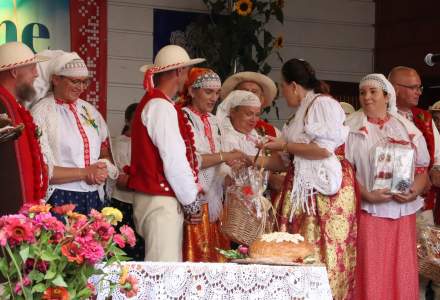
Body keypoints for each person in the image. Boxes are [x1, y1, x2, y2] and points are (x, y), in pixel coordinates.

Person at [259, 58, 358, 299]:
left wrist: (285, 144)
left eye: (283, 87)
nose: (283, 94)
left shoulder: (322, 104)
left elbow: (323, 149)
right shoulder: (300, 113)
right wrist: (253, 159)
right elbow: (286, 159)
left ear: (293, 85)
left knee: (319, 248)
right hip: (301, 188)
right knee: (296, 246)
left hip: (323, 191)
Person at [345, 73, 429, 299]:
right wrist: (366, 194)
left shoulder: (406, 128)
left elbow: (422, 169)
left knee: (399, 266)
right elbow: (343, 172)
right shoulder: (350, 128)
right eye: (362, 92)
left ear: (386, 95)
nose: (367, 97)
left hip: (402, 213)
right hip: (367, 212)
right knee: (369, 266)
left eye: (373, 92)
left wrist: (414, 191)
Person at [129, 45, 204, 261]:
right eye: (187, 71)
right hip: (160, 202)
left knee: (161, 267)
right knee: (164, 272)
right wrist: (191, 202)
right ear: (179, 72)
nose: (187, 77)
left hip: (153, 198)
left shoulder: (153, 102)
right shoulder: (161, 106)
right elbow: (174, 161)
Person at [31, 50, 116, 215]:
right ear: (55, 79)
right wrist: (84, 173)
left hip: (92, 198)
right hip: (59, 198)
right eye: (75, 81)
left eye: (85, 82)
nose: (81, 88)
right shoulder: (41, 112)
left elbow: (105, 152)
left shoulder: (90, 111)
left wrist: (102, 167)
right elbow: (41, 169)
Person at [178, 67, 248, 262]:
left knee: (217, 259)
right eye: (208, 92)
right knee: (195, 259)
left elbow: (220, 160)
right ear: (192, 91)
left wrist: (233, 171)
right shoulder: (183, 117)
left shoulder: (214, 121)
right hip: (193, 201)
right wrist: (225, 156)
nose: (214, 98)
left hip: (216, 201)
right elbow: (192, 160)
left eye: (217, 93)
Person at [389, 66, 440, 299]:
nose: (419, 92)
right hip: (388, 204)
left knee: (424, 263)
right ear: (395, 89)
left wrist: (433, 173)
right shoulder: (380, 115)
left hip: (422, 204)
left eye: (419, 87)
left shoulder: (425, 118)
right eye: (413, 87)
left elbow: (438, 157)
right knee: (392, 260)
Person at [0, 42, 49, 214]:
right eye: (32, 68)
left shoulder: (16, 107)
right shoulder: (2, 105)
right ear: (14, 72)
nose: (36, 74)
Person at [110, 102, 144, 260]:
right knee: (124, 246)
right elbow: (118, 177)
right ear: (128, 121)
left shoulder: (148, 143)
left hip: (142, 202)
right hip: (122, 202)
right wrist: (140, 182)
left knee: (142, 245)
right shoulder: (118, 143)